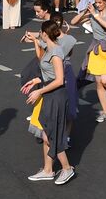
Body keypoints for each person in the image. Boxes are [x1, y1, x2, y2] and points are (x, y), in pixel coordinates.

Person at [22, 19, 77, 185]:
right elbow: (49, 74)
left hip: (57, 96)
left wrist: (39, 90)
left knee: (53, 135)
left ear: (45, 34)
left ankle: (67, 169)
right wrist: (35, 81)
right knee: (46, 133)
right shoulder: (50, 48)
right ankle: (48, 170)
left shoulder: (56, 53)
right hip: (50, 95)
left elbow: (59, 80)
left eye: (40, 33)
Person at [72, 0, 106, 121]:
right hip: (96, 49)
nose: (98, 5)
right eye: (96, 2)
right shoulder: (93, 13)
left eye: (100, 2)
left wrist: (95, 14)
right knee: (99, 82)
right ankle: (105, 112)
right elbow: (73, 22)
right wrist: (84, 12)